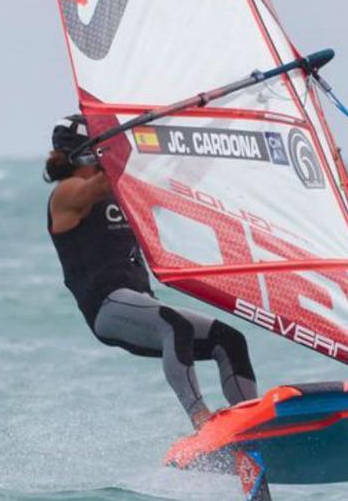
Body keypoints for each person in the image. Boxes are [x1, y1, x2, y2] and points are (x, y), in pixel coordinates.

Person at [43, 115, 261, 430]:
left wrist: (224, 123)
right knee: (177, 325)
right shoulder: (66, 193)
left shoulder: (124, 189)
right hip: (108, 307)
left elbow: (182, 175)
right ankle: (201, 418)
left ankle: (250, 423)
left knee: (228, 340)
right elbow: (102, 183)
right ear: (88, 151)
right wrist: (123, 145)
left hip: (140, 304)